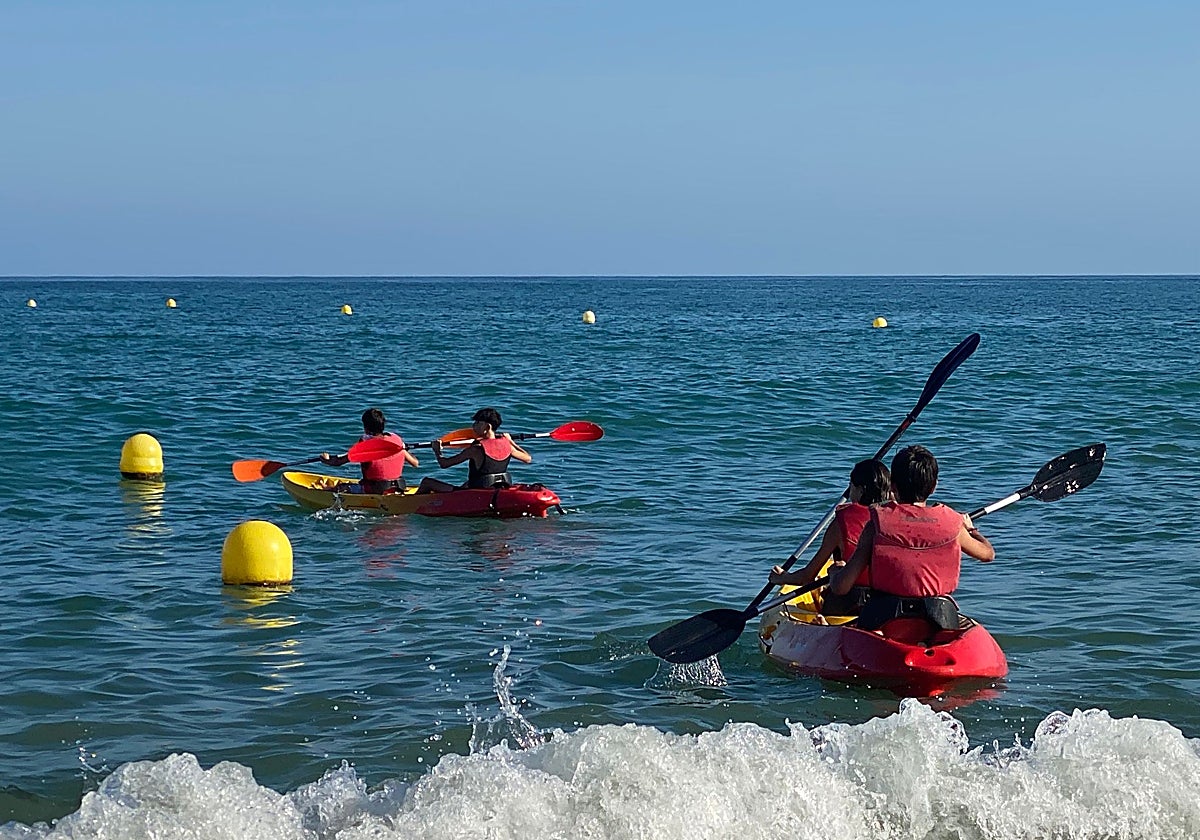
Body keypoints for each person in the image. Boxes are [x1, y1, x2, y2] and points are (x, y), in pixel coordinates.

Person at [827, 445, 994, 632]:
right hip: (939, 617)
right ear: (934, 486)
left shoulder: (876, 524)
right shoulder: (953, 523)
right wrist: (971, 530)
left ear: (893, 486)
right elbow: (987, 554)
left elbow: (841, 587)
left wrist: (834, 573)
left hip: (883, 616)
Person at [768, 458, 892, 616]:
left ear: (860, 490)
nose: (849, 489)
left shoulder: (841, 523)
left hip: (847, 604)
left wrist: (782, 578)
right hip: (884, 604)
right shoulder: (896, 520)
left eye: (851, 485)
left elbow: (807, 577)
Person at [416, 407, 532, 494]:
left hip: (476, 492)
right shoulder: (507, 445)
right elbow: (527, 458)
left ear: (487, 427)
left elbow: (444, 464)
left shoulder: (476, 449)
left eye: (477, 423)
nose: (473, 426)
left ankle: (410, 505)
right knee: (466, 483)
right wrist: (511, 442)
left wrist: (437, 450)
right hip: (495, 488)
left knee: (427, 482)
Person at [321, 407, 419, 494]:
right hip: (399, 487)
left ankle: (326, 491)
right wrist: (404, 449)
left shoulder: (364, 444)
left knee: (342, 487)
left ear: (366, 428)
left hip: (376, 489)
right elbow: (415, 463)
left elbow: (338, 462)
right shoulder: (396, 441)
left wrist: (326, 459)